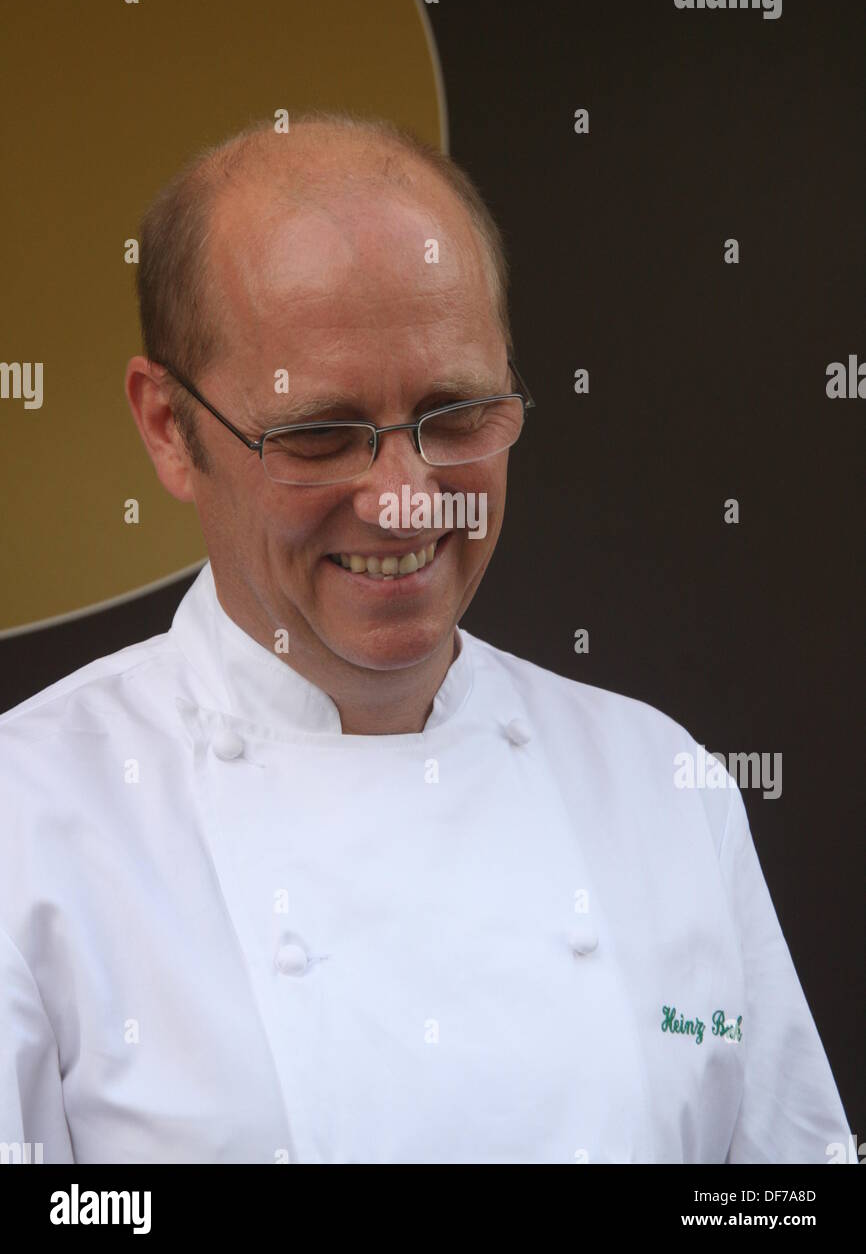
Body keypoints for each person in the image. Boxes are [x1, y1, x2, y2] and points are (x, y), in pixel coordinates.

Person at [0, 113, 851, 1164]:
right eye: (319, 432)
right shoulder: (31, 821)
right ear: (170, 428)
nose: (403, 502)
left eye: (455, 415)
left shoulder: (660, 782)